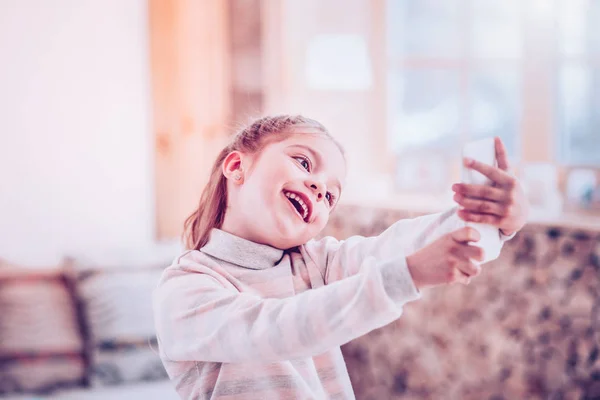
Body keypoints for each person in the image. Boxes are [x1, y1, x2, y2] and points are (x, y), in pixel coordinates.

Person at [153, 115, 529, 399]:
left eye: (331, 196)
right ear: (237, 166)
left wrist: (494, 219)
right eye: (303, 163)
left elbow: (396, 246)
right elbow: (273, 329)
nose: (319, 189)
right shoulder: (186, 288)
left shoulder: (317, 263)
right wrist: (407, 276)